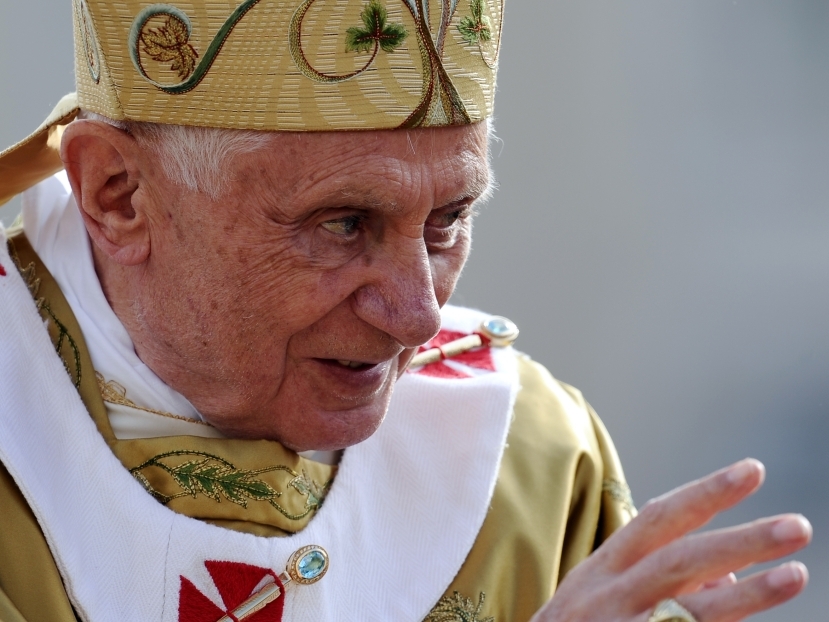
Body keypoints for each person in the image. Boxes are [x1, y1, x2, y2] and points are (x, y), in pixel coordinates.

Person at [0, 1, 811, 621]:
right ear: (119, 194)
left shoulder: (528, 458)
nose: (417, 317)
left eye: (448, 220)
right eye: (343, 224)